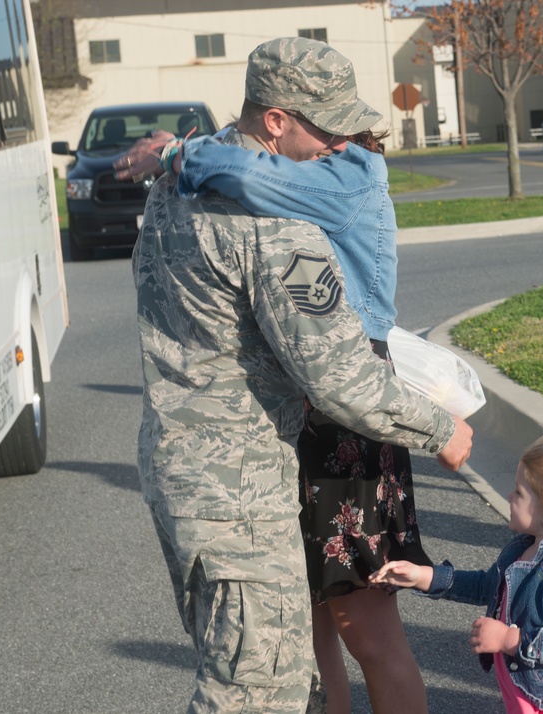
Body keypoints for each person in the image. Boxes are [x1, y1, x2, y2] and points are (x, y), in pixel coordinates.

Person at [125, 36, 473, 714]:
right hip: (242, 484)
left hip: (186, 467)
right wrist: (441, 427)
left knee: (273, 666)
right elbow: (340, 377)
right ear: (276, 120)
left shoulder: (178, 185)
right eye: (329, 124)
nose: (343, 142)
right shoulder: (276, 216)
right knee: (254, 691)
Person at [371, 430, 543, 714]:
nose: (508, 495)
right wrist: (424, 576)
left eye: (518, 492)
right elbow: (486, 585)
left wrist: (509, 640)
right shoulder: (520, 549)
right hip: (527, 690)